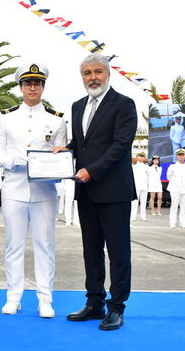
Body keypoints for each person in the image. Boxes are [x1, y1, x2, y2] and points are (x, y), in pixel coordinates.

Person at [54, 53, 137, 331]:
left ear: (108, 74)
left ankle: (117, 308)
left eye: (98, 71)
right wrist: (65, 151)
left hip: (114, 191)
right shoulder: (78, 106)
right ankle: (94, 302)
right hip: (86, 191)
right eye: (87, 73)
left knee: (118, 252)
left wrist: (92, 170)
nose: (93, 77)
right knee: (91, 250)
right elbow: (83, 143)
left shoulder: (124, 104)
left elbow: (120, 145)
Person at [0, 63, 67, 318]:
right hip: (14, 188)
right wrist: (16, 161)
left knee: (45, 245)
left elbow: (62, 153)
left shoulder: (56, 120)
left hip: (44, 191)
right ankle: (13, 297)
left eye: (37, 83)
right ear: (21, 87)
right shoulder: (5, 119)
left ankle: (45, 299)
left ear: (43, 87)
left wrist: (57, 162)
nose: (32, 88)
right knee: (13, 246)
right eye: (28, 84)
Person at [167, 148, 185, 229]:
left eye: (182, 155)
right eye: (179, 155)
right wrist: (175, 183)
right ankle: (172, 222)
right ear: (177, 156)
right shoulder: (172, 166)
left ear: (184, 156)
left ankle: (182, 222)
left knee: (184, 207)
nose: (181, 157)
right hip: (175, 188)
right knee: (174, 206)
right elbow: (169, 176)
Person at [130, 152, 149, 222]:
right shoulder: (133, 166)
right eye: (140, 156)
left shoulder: (147, 166)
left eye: (143, 156)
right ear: (137, 157)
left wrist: (147, 185)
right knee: (134, 203)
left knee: (143, 203)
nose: (141, 158)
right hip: (136, 186)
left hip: (144, 186)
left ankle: (143, 216)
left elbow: (148, 177)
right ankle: (133, 216)